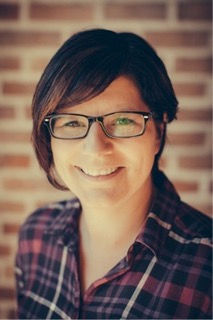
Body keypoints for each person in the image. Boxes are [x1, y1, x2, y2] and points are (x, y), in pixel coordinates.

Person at [15, 28, 212, 319]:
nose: (95, 148)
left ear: (158, 130)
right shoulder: (35, 236)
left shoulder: (205, 265)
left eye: (122, 120)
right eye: (71, 123)